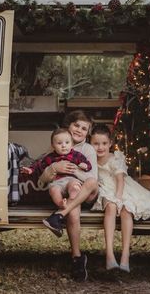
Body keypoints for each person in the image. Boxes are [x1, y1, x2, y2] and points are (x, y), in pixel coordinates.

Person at [89, 124, 150, 272]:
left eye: (104, 143)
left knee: (126, 209)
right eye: (96, 143)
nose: (100, 147)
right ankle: (110, 255)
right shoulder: (90, 158)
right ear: (90, 143)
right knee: (111, 208)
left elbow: (120, 180)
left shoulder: (115, 158)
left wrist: (119, 198)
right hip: (105, 189)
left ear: (110, 144)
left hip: (122, 188)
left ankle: (125, 255)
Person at [39, 110, 98, 281]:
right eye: (76, 125)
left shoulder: (88, 149)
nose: (79, 130)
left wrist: (72, 167)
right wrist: (53, 169)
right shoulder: (58, 144)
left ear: (88, 133)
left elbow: (91, 177)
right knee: (73, 207)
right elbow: (41, 182)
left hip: (87, 192)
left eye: (84, 128)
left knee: (91, 183)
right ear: (68, 126)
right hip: (68, 194)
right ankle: (77, 258)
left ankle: (58, 216)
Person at [21, 128, 91, 210]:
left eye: (67, 142)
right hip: (57, 181)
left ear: (72, 144)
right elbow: (39, 165)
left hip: (71, 179)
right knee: (53, 190)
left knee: (74, 185)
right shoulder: (50, 157)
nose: (63, 146)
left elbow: (87, 164)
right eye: (59, 143)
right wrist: (31, 170)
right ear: (53, 145)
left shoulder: (76, 155)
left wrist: (85, 165)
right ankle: (61, 203)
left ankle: (73, 195)